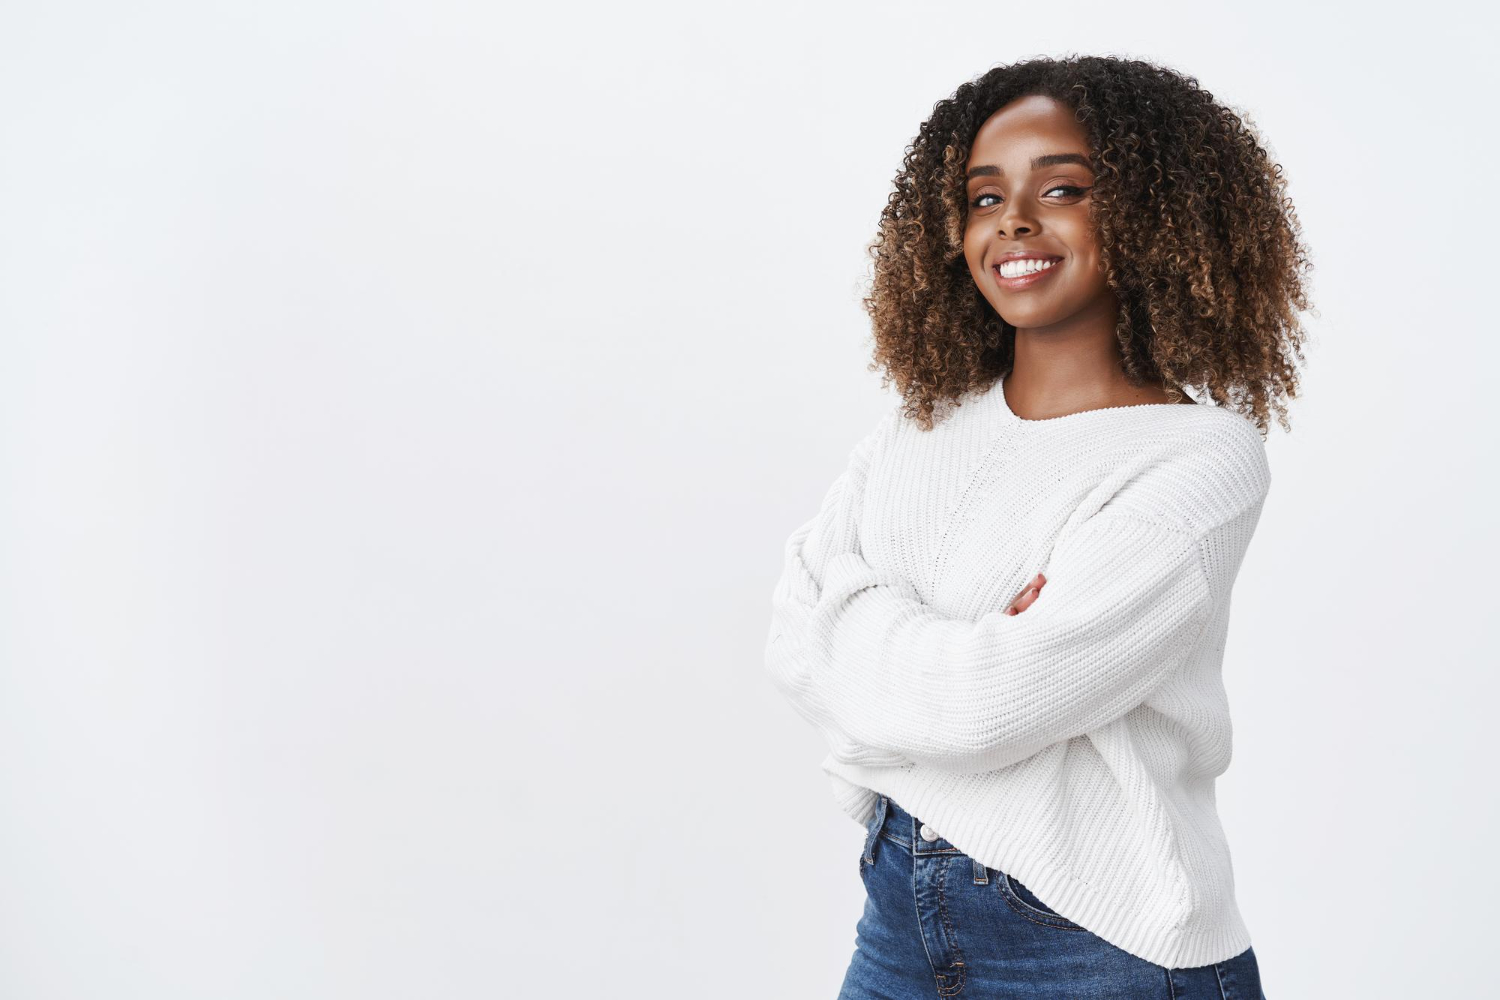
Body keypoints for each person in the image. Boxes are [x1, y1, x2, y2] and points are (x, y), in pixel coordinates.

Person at [764, 54, 1311, 999]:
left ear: (1154, 214)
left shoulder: (1200, 458)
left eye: (1063, 188)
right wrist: (970, 643)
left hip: (1098, 941)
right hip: (897, 910)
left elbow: (988, 708)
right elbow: (789, 635)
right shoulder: (921, 426)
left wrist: (858, 619)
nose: (1014, 220)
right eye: (984, 197)